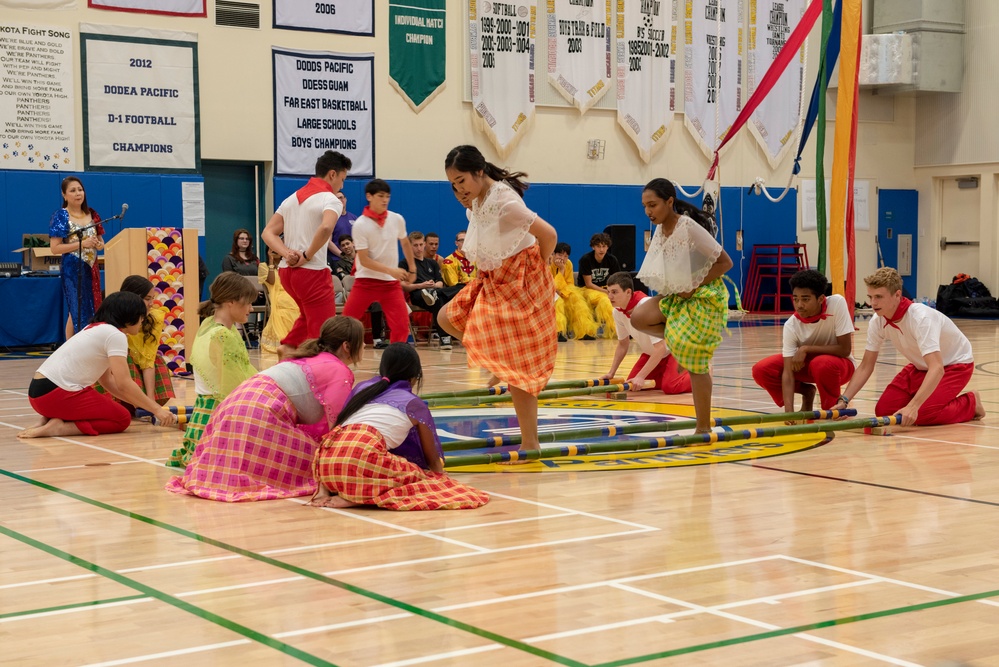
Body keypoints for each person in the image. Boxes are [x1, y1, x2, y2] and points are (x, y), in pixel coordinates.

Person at [439, 144, 558, 456]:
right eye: (452, 184)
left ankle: (530, 442)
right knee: (446, 317)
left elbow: (549, 235)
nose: (458, 189)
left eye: (461, 181)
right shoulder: (479, 200)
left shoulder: (504, 201)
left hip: (523, 278)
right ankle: (498, 359)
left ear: (479, 172)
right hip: (493, 276)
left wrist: (537, 272)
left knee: (520, 371)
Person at [166, 316, 364, 502]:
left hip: (236, 403)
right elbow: (338, 427)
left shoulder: (308, 357)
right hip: (259, 411)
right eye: (361, 341)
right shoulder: (338, 370)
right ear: (347, 346)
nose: (364, 345)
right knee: (315, 462)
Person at [309, 343, 489, 510]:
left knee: (352, 455)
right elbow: (432, 459)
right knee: (419, 478)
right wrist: (440, 479)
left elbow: (336, 429)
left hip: (325, 460)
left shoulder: (362, 388)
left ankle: (325, 491)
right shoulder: (414, 404)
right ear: (415, 375)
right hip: (362, 456)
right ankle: (356, 498)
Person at [631, 178, 733, 433]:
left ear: (669, 202)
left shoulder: (686, 226)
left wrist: (694, 286)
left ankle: (703, 427)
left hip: (705, 296)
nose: (648, 212)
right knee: (639, 316)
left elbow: (725, 263)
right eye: (645, 206)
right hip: (680, 294)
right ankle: (678, 341)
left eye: (652, 205)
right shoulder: (660, 230)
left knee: (696, 365)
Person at [832, 267, 985, 426]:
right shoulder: (878, 321)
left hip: (955, 365)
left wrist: (913, 406)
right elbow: (865, 366)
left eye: (878, 297)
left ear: (897, 295)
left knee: (923, 415)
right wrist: (844, 400)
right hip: (921, 367)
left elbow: (937, 368)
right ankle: (929, 398)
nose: (873, 303)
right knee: (884, 410)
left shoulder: (920, 318)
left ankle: (972, 403)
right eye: (870, 297)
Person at [19, 292, 176, 438]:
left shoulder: (97, 328)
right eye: (141, 317)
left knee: (114, 409)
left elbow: (107, 381)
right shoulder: (115, 335)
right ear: (129, 317)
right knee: (121, 419)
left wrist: (139, 403)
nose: (142, 321)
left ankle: (50, 418)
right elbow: (124, 383)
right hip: (55, 395)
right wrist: (156, 409)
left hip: (38, 395)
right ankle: (60, 427)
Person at [262, 150, 350, 357]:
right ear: (332, 175)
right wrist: (306, 255)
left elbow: (268, 232)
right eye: (343, 179)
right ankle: (316, 375)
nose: (342, 186)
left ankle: (288, 346)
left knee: (307, 316)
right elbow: (327, 228)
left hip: (288, 273)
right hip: (312, 272)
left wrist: (287, 253)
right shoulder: (331, 199)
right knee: (324, 333)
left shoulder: (291, 198)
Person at [166, 272, 258, 468]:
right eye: (248, 303)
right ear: (231, 301)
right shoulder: (223, 334)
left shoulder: (209, 324)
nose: (251, 308)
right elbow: (234, 383)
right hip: (219, 410)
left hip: (204, 407)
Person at [751, 269, 855, 415]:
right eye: (795, 299)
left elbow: (845, 350)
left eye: (805, 299)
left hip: (840, 367)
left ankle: (832, 409)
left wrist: (806, 348)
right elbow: (788, 372)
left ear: (820, 299)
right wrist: (789, 412)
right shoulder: (791, 325)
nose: (799, 305)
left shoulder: (837, 303)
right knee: (762, 370)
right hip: (806, 367)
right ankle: (807, 391)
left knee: (821, 363)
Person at [341, 179, 416, 344]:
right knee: (346, 324)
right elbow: (365, 260)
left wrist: (412, 269)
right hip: (365, 281)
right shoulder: (360, 224)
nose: (385, 200)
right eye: (381, 196)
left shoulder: (396, 219)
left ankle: (396, 363)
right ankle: (334, 359)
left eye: (387, 196)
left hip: (390, 285)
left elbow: (405, 242)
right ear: (369, 196)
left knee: (401, 326)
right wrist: (392, 270)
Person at [604, 272, 692, 395]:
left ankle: (702, 372)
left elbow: (661, 347)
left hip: (676, 350)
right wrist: (611, 373)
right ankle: (669, 374)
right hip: (654, 354)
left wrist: (641, 376)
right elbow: (623, 344)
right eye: (608, 292)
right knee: (633, 385)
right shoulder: (617, 312)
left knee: (671, 387)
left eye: (614, 292)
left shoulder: (646, 307)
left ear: (628, 292)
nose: (609, 296)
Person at [48, 176, 104, 339]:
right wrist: (82, 244)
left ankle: (80, 345)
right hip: (73, 268)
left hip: (92, 267)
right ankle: (73, 347)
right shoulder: (61, 216)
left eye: (80, 189)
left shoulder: (92, 214)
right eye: (72, 190)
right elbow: (55, 248)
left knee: (92, 305)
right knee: (77, 308)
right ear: (64, 195)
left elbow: (101, 242)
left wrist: (98, 245)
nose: (78, 193)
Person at [111, 275, 176, 406]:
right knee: (125, 360)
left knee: (157, 362)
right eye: (147, 299)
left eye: (152, 298)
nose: (151, 304)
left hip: (141, 368)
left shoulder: (154, 319)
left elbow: (148, 361)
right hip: (120, 367)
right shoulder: (114, 318)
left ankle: (141, 402)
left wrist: (150, 402)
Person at [400, 231, 461, 350]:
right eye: (415, 245)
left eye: (420, 244)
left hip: (434, 291)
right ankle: (445, 338)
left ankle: (432, 294)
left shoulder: (432, 263)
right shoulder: (405, 263)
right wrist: (421, 286)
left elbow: (440, 282)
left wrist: (433, 287)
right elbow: (403, 286)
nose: (419, 248)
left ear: (424, 245)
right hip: (418, 294)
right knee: (438, 301)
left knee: (460, 287)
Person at [549, 242, 597, 342]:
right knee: (558, 303)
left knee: (578, 300)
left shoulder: (569, 264)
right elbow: (552, 285)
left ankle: (584, 331)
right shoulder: (548, 263)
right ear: (553, 254)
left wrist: (564, 294)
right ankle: (558, 332)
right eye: (560, 255)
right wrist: (561, 270)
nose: (562, 258)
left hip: (564, 291)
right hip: (549, 292)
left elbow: (570, 284)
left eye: (565, 256)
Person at [258, 247, 301, 355]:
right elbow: (271, 281)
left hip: (291, 294)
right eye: (273, 250)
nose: (276, 252)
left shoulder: (287, 266)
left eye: (278, 250)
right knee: (283, 309)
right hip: (277, 295)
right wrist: (271, 261)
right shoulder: (263, 266)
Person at [576, 233, 619, 338]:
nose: (601, 249)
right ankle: (590, 331)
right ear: (593, 247)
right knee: (605, 300)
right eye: (598, 246)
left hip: (605, 289)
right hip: (586, 290)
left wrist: (611, 291)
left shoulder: (612, 260)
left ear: (607, 247)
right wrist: (606, 292)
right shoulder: (586, 259)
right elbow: (589, 284)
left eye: (604, 246)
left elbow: (616, 280)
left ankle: (620, 330)